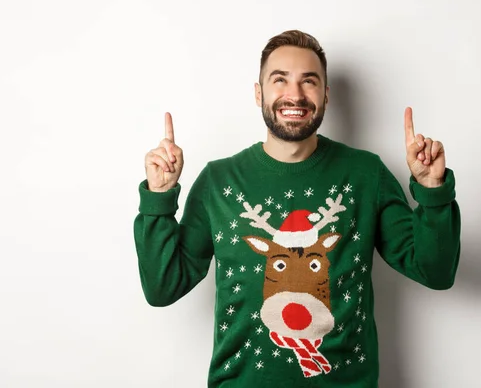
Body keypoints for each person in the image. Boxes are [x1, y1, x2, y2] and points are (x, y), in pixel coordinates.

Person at [133, 29, 461, 388]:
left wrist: (432, 191)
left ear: (325, 95)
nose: (295, 94)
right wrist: (159, 199)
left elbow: (436, 272)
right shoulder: (218, 181)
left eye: (309, 81)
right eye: (280, 80)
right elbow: (162, 288)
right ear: (259, 93)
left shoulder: (367, 175)